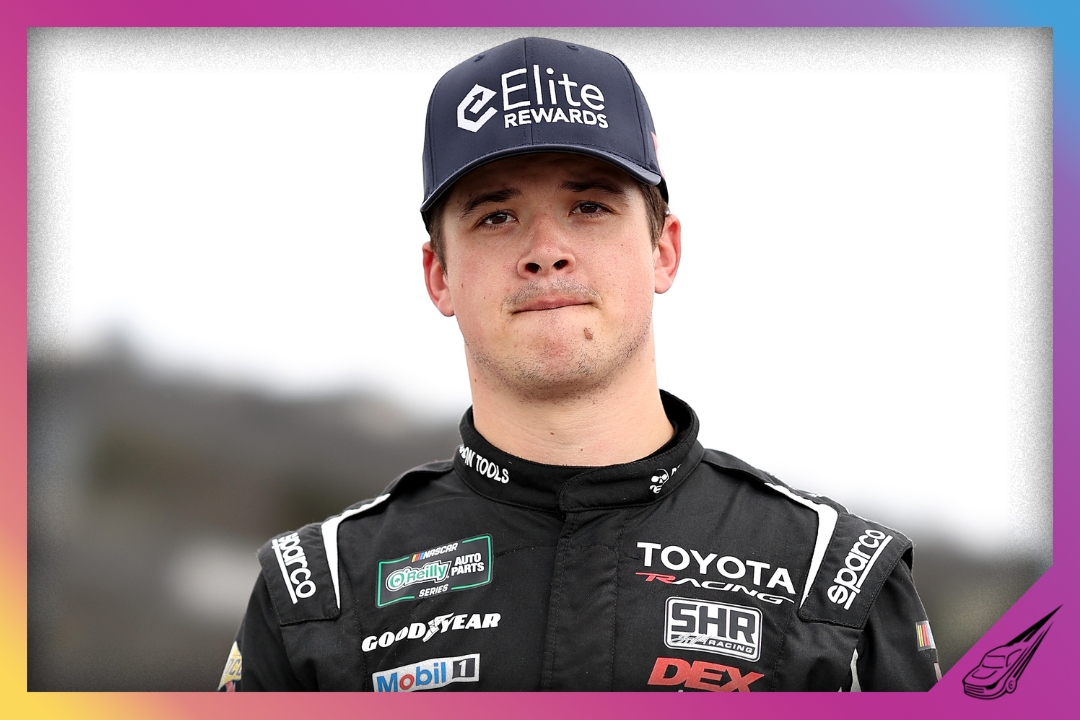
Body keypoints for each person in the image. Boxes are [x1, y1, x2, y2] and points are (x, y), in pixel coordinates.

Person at [218, 36, 941, 692]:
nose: (546, 251)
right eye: (496, 216)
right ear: (439, 275)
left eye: (590, 207)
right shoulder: (317, 592)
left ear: (664, 250)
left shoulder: (835, 579)